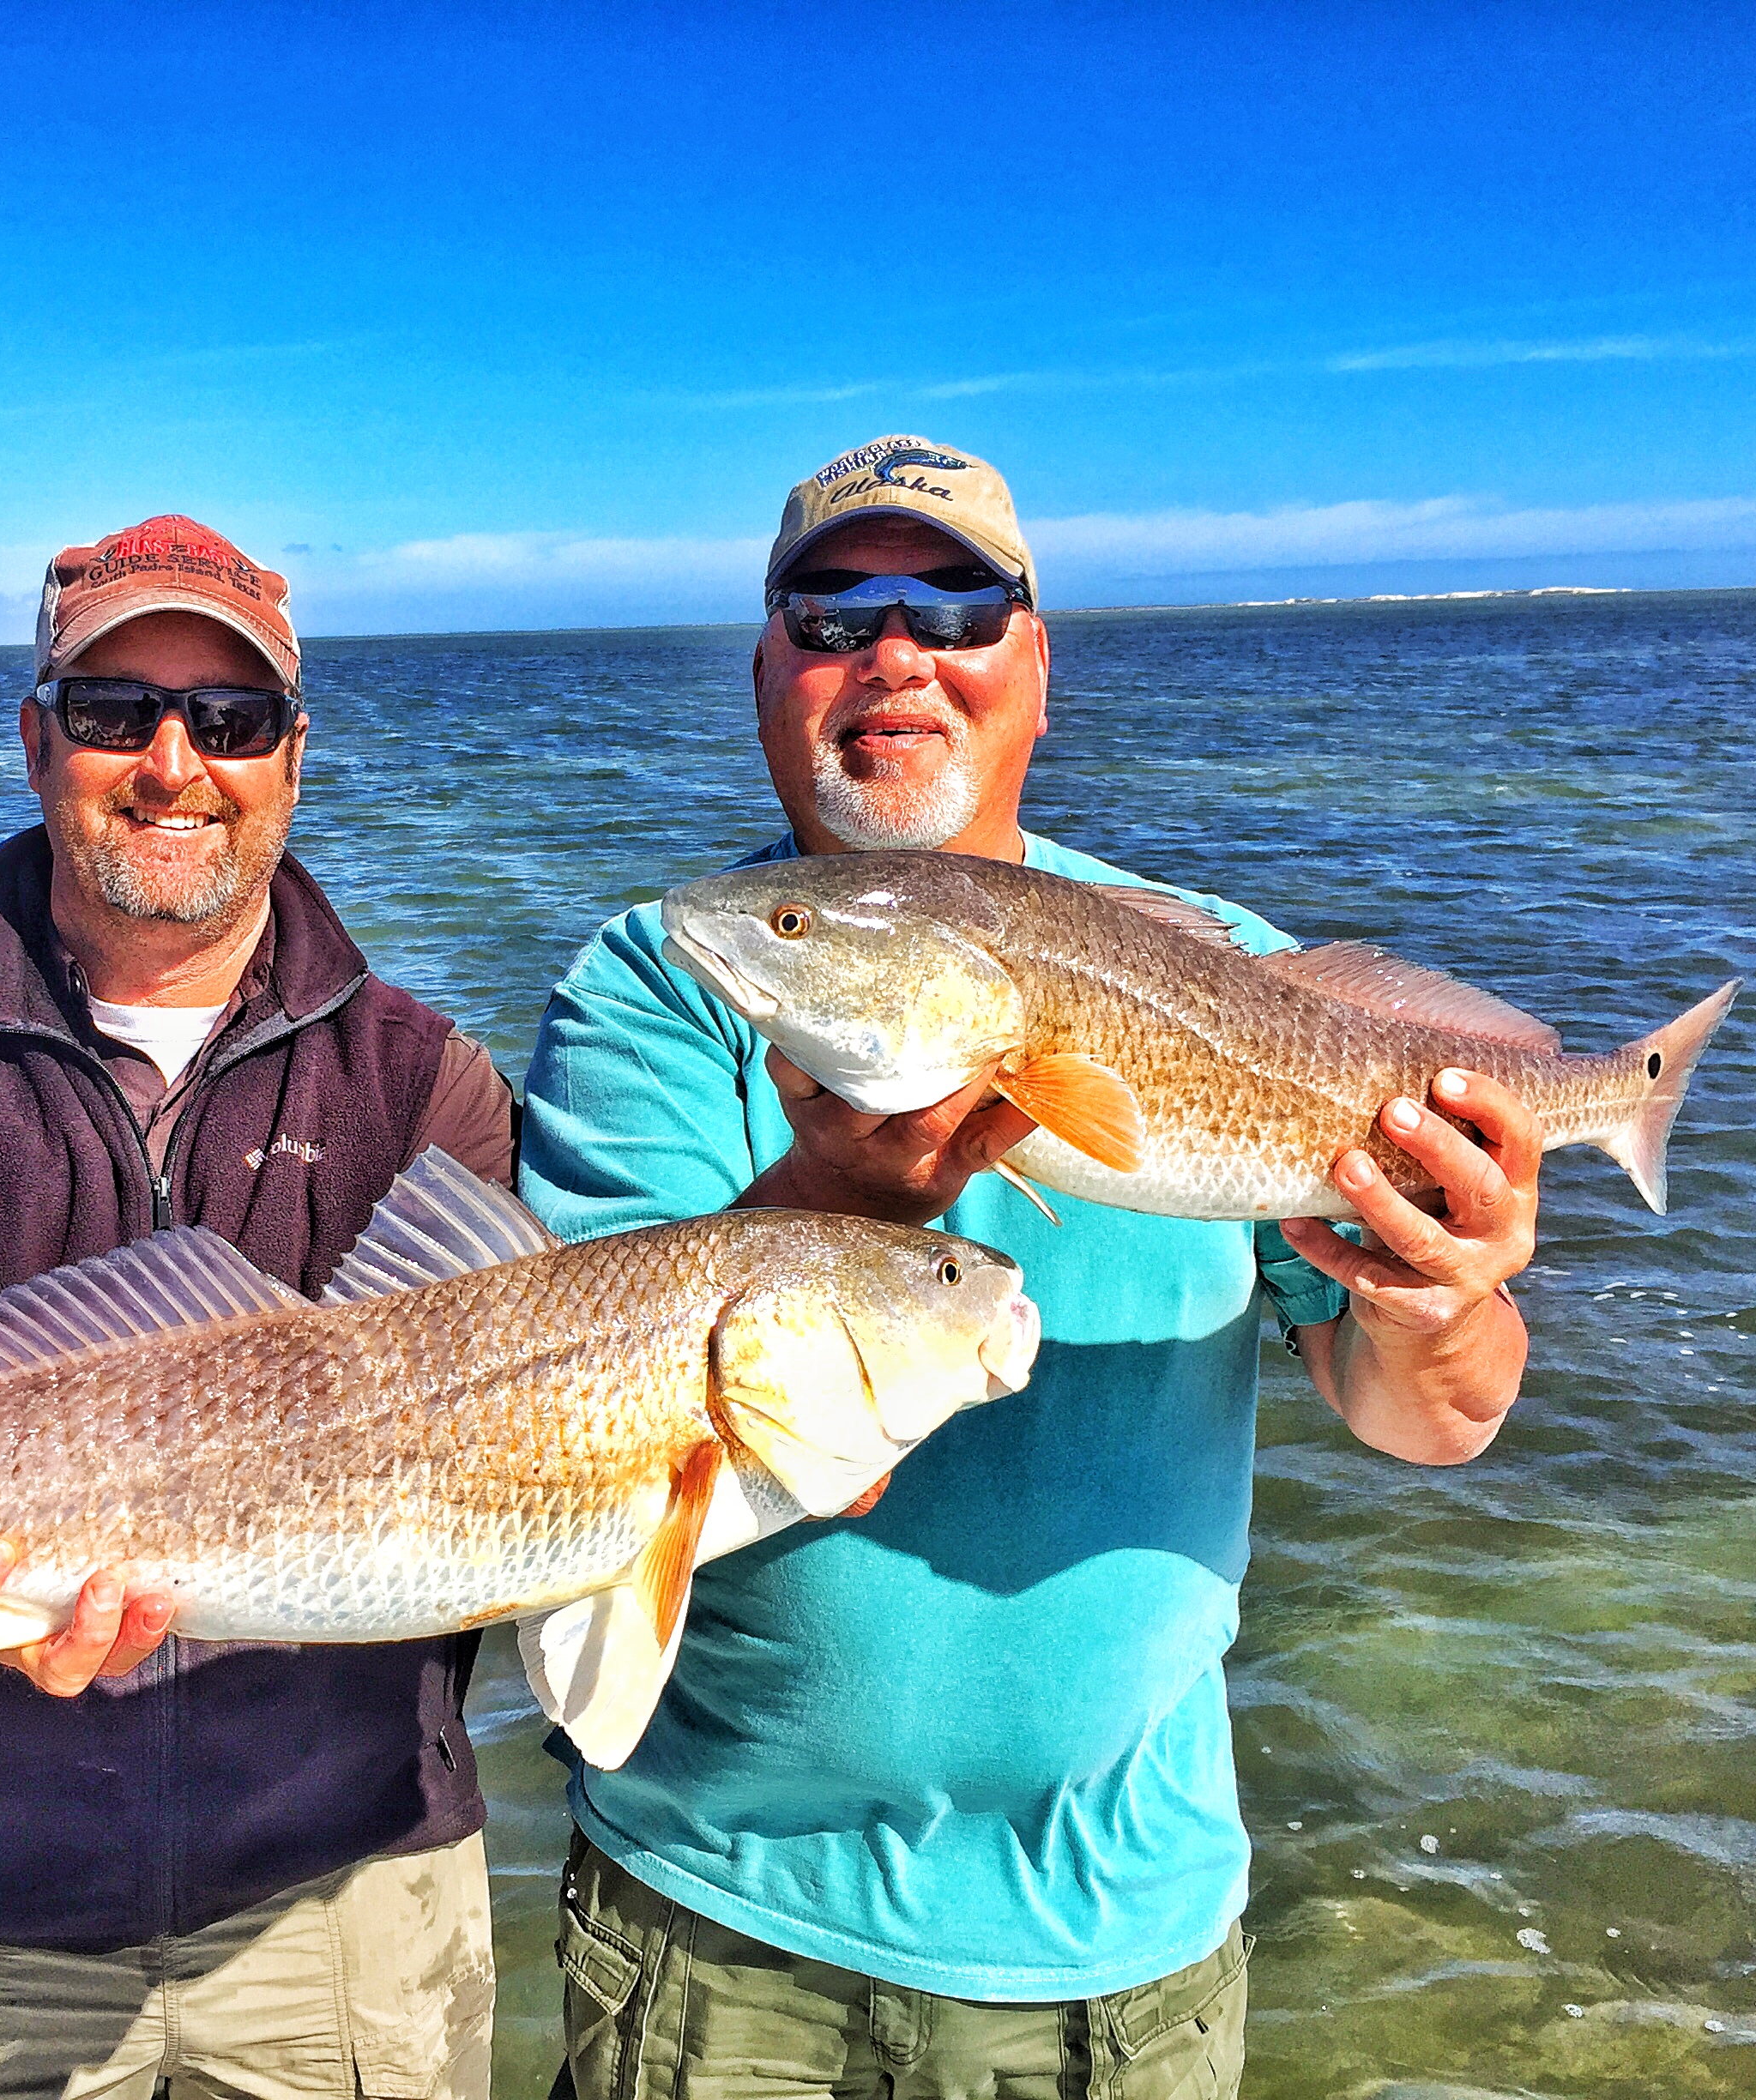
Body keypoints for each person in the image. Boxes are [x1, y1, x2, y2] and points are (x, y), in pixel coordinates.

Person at [517, 437, 1542, 2100]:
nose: (896, 651)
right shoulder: (664, 971)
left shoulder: (1223, 973)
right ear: (770, 675)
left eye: (959, 604)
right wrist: (837, 1199)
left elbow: (1432, 1420)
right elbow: (586, 1430)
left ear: (1038, 667)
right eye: (832, 612)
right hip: (721, 1936)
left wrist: (1443, 1290)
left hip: (1123, 1952)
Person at [0, 515, 515, 2100]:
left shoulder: (427, 1084)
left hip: (348, 1890)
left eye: (228, 721)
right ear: (38, 743)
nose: (175, 763)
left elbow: (497, 1469)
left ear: (295, 757)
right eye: (117, 715)